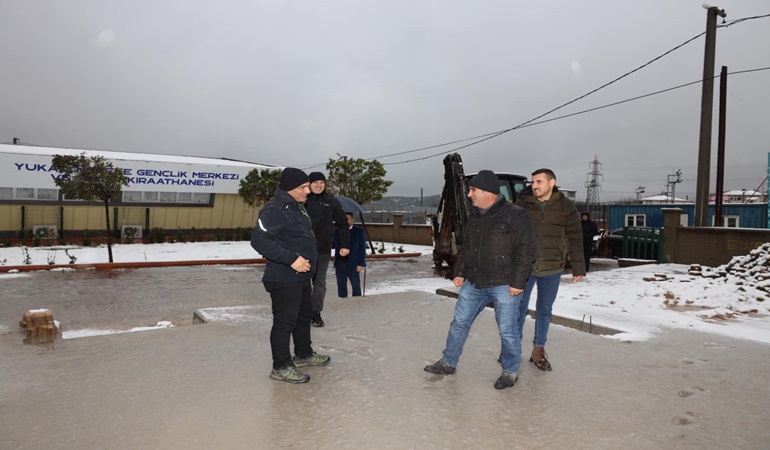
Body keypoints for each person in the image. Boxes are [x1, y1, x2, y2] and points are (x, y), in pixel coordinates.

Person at [424, 170, 535, 390]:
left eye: (473, 190)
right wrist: (460, 272)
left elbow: (527, 251)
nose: (469, 194)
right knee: (459, 323)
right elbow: (467, 247)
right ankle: (448, 361)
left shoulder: (515, 215)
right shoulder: (474, 215)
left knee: (508, 330)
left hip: (504, 283)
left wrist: (518, 282)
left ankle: (510, 371)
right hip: (474, 282)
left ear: (488, 192)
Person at [250, 167, 330, 384]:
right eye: (303, 187)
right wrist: (291, 259)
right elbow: (258, 240)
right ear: (289, 188)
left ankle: (303, 354)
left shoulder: (296, 206)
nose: (308, 191)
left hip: (301, 276)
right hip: (283, 277)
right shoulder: (275, 209)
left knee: (303, 317)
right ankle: (281, 366)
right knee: (284, 323)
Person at [516, 168, 585, 372]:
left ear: (552, 182)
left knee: (544, 311)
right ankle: (512, 349)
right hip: (525, 268)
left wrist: (578, 267)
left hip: (552, 267)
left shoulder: (566, 206)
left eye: (539, 182)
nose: (534, 186)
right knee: (518, 309)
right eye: (533, 182)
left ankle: (538, 350)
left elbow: (575, 236)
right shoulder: (523, 204)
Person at [305, 171, 350, 327]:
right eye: (315, 182)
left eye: (322, 183)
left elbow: (343, 223)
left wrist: (345, 245)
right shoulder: (302, 200)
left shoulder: (331, 201)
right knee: (301, 282)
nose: (319, 185)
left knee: (319, 282)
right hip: (303, 249)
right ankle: (301, 312)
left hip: (323, 249)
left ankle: (316, 313)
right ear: (309, 184)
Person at [332, 212, 367, 297]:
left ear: (352, 220)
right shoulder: (337, 231)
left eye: (347, 218)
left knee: (355, 285)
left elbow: (362, 249)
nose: (345, 221)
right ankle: (343, 301)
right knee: (341, 285)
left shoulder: (359, 232)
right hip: (340, 263)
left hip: (353, 263)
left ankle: (356, 302)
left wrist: (361, 264)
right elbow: (333, 245)